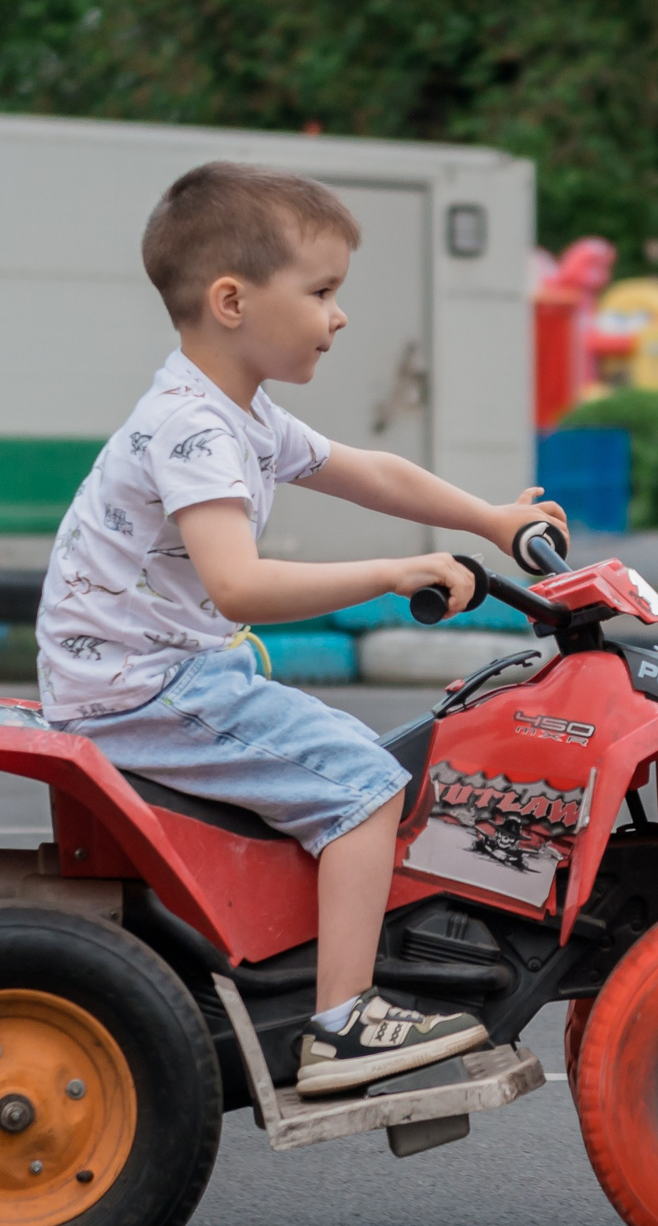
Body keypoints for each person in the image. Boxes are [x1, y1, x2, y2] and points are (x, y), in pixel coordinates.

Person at [38, 162, 567, 1097]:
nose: (340, 314)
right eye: (322, 291)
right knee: (366, 785)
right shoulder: (194, 430)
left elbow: (373, 470)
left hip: (153, 669)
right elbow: (238, 584)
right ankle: (341, 1024)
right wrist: (397, 570)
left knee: (353, 757)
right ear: (233, 300)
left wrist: (489, 518)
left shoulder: (240, 416)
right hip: (146, 687)